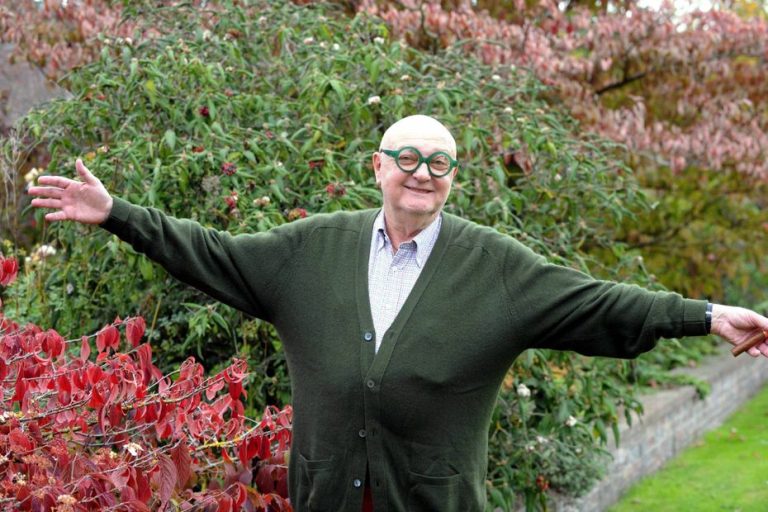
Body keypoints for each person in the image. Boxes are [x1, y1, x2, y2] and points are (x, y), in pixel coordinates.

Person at [28, 115, 768, 512]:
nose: (422, 171)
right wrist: (116, 212)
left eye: (439, 161)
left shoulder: (496, 267)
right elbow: (209, 251)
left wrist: (705, 315)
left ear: (454, 179)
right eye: (406, 156)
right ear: (378, 167)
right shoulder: (310, 250)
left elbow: (600, 304)